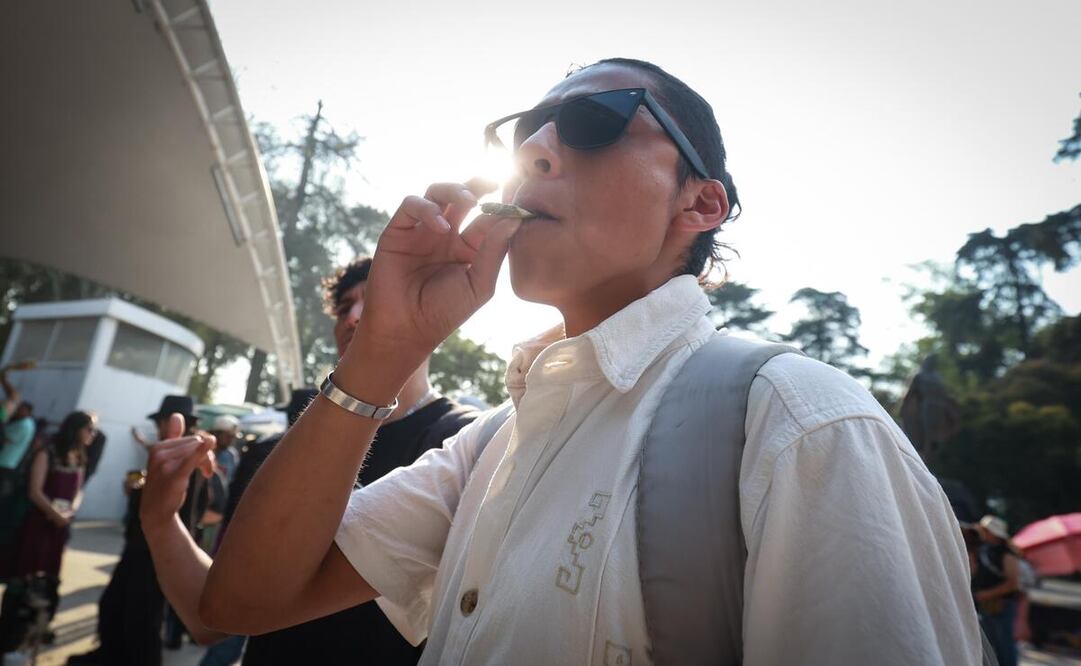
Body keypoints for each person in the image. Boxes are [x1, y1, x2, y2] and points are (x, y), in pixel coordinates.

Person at [201, 58, 983, 664]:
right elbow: (238, 603)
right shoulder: (495, 442)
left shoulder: (796, 423)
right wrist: (384, 353)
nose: (536, 151)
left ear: (700, 204)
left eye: (590, 120)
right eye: (524, 132)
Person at [140, 257, 479, 666]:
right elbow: (215, 618)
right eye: (343, 307)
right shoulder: (289, 446)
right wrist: (160, 519)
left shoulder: (464, 445)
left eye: (372, 299)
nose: (353, 317)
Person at [67, 395, 207, 666]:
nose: (157, 428)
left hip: (156, 555)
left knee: (142, 622)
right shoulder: (170, 451)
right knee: (114, 606)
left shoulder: (191, 458)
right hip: (139, 547)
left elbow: (183, 511)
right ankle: (108, 656)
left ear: (171, 422)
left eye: (160, 422)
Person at [0, 410, 96, 655]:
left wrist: (70, 511)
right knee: (25, 577)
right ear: (76, 429)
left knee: (47, 581)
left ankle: (33, 632)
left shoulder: (80, 456)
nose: (92, 435)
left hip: (58, 530)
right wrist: (54, 514)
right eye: (89, 429)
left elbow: (78, 491)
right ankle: (10, 634)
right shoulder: (48, 452)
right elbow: (35, 490)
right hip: (38, 526)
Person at [973, 515, 1021, 666]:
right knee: (989, 644)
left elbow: (1012, 583)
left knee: (1004, 646)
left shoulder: (1006, 554)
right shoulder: (983, 550)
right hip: (986, 605)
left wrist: (985, 594)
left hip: (1002, 605)